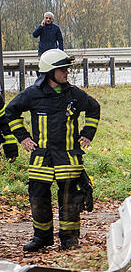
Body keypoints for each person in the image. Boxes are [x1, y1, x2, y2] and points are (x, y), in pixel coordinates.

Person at [4, 49, 100, 251]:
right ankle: (42, 237)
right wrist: (23, 138)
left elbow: (94, 107)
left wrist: (88, 132)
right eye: (62, 69)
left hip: (68, 157)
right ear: (49, 72)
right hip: (42, 158)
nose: (66, 73)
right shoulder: (32, 94)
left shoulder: (74, 94)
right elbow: (10, 112)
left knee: (70, 200)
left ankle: (70, 240)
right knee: (38, 198)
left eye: (66, 69)